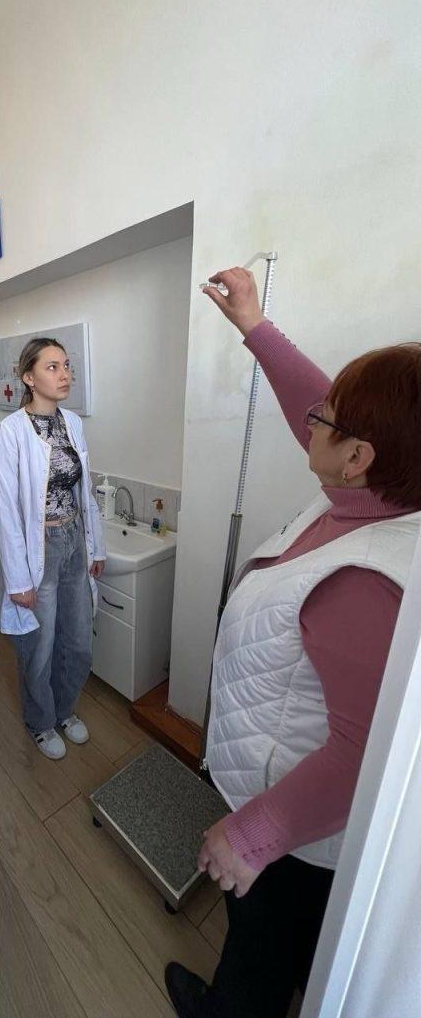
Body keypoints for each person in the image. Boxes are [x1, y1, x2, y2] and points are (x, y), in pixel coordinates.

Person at [164, 268, 421, 1018]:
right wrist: (256, 327)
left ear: (358, 456)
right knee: (269, 946)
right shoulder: (369, 496)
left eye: (324, 420)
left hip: (295, 829)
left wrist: (255, 833)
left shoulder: (367, 581)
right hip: (279, 787)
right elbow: (313, 401)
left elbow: (362, 751)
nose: (310, 418)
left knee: (259, 958)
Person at [0, 337, 106, 759]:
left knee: (77, 641)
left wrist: (96, 548)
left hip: (74, 539)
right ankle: (40, 720)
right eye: (53, 367)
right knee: (39, 646)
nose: (65, 375)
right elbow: (6, 508)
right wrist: (18, 579)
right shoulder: (11, 431)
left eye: (67, 366)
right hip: (38, 549)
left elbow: (84, 491)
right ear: (28, 377)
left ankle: (65, 710)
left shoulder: (71, 423)